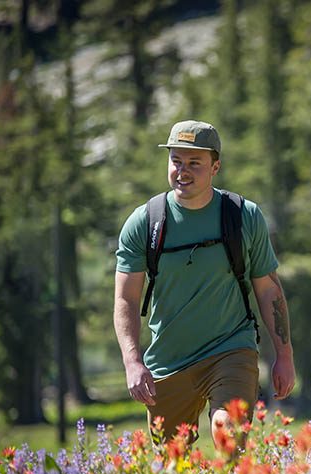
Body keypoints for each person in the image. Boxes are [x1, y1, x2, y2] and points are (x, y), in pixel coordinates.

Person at [114, 119, 296, 447]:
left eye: (194, 163)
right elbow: (126, 298)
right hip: (168, 362)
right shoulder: (145, 223)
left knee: (228, 431)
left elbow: (268, 289)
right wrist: (132, 361)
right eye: (176, 161)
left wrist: (284, 355)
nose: (182, 171)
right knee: (173, 470)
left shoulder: (243, 216)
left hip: (231, 348)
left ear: (215, 167)